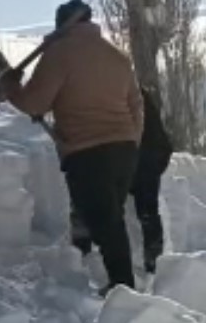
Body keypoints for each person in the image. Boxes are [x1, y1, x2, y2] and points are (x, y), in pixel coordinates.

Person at [1, 0, 143, 294]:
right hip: (125, 148)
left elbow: (35, 102)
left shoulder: (59, 53)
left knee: (104, 221)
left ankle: (122, 288)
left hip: (87, 150)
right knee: (108, 216)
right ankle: (95, 268)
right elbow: (135, 104)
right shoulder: (116, 56)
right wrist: (132, 138)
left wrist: (11, 86)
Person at [70, 85, 174, 274]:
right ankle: (153, 264)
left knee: (103, 205)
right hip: (144, 153)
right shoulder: (128, 87)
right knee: (145, 211)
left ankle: (84, 255)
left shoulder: (103, 93)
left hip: (139, 154)